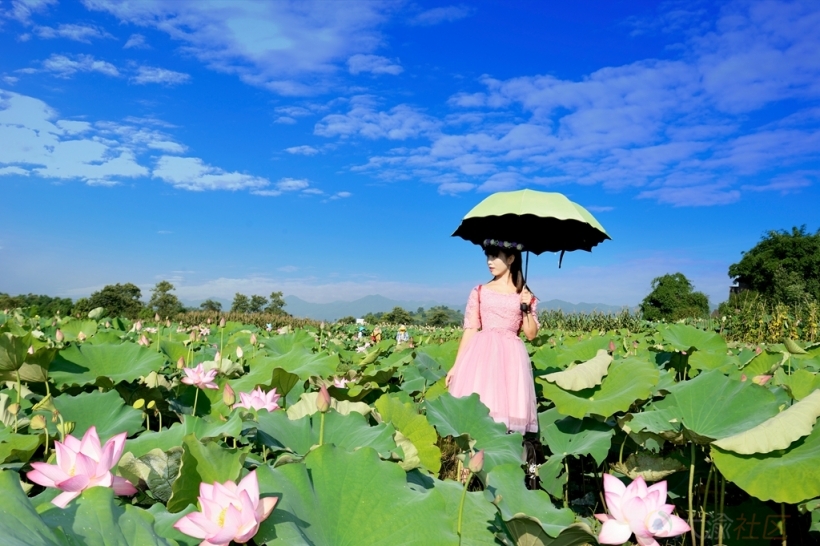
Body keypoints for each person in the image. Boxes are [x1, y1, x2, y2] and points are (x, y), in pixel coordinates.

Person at [445, 239, 539, 434]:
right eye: (488, 255)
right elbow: (470, 329)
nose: (490, 261)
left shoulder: (525, 294)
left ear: (511, 258)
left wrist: (526, 307)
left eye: (495, 256)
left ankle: (505, 460)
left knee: (507, 418)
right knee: (479, 414)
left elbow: (531, 334)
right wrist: (456, 365)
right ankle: (473, 462)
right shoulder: (479, 291)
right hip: (482, 356)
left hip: (511, 358)